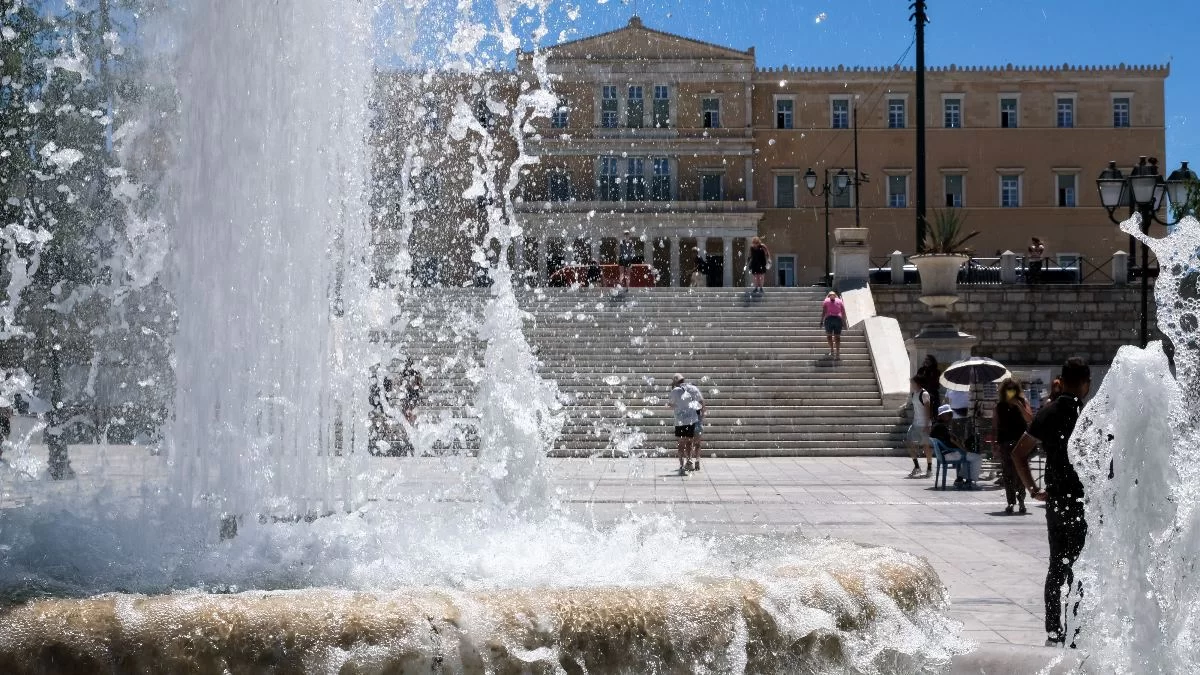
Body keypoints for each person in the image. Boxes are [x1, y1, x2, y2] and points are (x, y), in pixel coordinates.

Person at [1012, 357, 1091, 647]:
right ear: (1085, 383)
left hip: (1056, 502)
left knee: (1056, 565)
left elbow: (1019, 453)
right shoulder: (1090, 415)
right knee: (1079, 568)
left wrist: (1033, 488)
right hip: (1083, 501)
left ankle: (1052, 630)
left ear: (1063, 379)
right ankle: (1075, 629)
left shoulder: (1047, 412)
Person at [993, 378, 1033, 514]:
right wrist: (994, 445)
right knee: (1008, 473)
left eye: (1013, 390)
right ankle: (1011, 502)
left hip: (1020, 442)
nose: (1011, 392)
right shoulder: (1000, 406)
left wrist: (1019, 406)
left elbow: (1029, 419)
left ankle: (1021, 500)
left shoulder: (1022, 402)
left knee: (1020, 472)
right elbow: (995, 426)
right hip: (1005, 442)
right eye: (1008, 390)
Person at [931, 404, 981, 486]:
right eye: (948, 414)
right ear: (942, 415)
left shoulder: (937, 425)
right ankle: (969, 480)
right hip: (949, 453)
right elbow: (952, 440)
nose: (951, 416)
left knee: (969, 456)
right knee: (977, 458)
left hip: (944, 453)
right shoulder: (941, 427)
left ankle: (960, 478)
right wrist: (963, 449)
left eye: (951, 414)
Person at [667, 373, 704, 475]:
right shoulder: (693, 388)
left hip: (680, 421)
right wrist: (701, 416)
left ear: (675, 382)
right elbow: (701, 402)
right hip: (691, 420)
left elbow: (670, 405)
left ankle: (681, 465)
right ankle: (689, 461)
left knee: (680, 444)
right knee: (689, 442)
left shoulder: (675, 391)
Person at [906, 375, 933, 478]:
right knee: (909, 443)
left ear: (917, 383)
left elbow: (928, 409)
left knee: (926, 446)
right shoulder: (914, 394)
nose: (911, 385)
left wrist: (927, 424)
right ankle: (917, 467)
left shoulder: (924, 394)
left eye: (912, 383)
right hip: (915, 423)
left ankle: (929, 468)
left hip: (924, 424)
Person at [820, 290, 847, 359]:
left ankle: (832, 350)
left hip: (829, 319)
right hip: (838, 320)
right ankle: (837, 353)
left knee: (829, 336)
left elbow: (824, 312)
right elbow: (843, 312)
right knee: (837, 337)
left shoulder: (826, 300)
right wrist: (844, 322)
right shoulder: (840, 301)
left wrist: (821, 321)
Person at [399, 358, 422, 425]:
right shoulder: (414, 372)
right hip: (411, 394)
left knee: (409, 407)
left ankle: (409, 421)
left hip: (410, 394)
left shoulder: (407, 373)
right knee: (410, 407)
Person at [617, 230, 638, 295]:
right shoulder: (630, 243)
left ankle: (623, 286)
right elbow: (633, 253)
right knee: (625, 274)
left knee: (624, 274)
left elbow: (619, 251)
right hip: (627, 259)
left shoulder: (623, 242)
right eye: (626, 234)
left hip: (624, 259)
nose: (626, 235)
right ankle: (626, 287)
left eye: (626, 234)